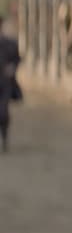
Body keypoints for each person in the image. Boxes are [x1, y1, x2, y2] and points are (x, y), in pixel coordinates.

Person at [0, 16, 20, 153]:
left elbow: (17, 59)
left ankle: (5, 137)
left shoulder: (9, 43)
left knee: (3, 112)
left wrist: (12, 67)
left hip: (4, 83)